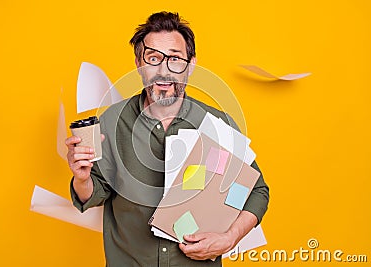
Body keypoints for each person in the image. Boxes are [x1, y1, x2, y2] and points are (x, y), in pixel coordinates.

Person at [66, 11, 269, 267]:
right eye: (153, 59)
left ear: (191, 64)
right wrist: (82, 178)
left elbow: (257, 191)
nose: (164, 71)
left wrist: (229, 238)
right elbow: (94, 193)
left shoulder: (218, 124)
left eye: (175, 59)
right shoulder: (111, 122)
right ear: (139, 64)